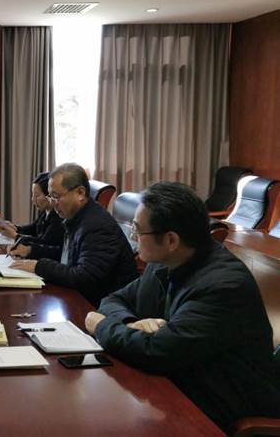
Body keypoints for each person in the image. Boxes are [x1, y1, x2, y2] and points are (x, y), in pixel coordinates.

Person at [85, 182, 280, 432]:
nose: (132, 237)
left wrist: (102, 326)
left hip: (221, 405)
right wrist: (129, 324)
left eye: (137, 230)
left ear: (171, 240)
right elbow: (115, 300)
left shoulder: (223, 285)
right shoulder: (164, 262)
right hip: (177, 384)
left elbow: (156, 352)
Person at [10, 163, 137, 306]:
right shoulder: (76, 217)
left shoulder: (97, 225)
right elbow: (69, 256)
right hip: (81, 296)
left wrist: (39, 266)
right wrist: (32, 252)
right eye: (51, 197)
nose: (53, 203)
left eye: (56, 197)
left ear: (80, 193)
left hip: (102, 306)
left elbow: (83, 277)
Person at [0, 171, 63, 249]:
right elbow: (33, 228)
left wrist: (15, 235)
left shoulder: (58, 216)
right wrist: (15, 228)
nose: (33, 199)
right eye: (33, 195)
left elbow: (44, 243)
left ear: (50, 195)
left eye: (37, 195)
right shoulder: (45, 211)